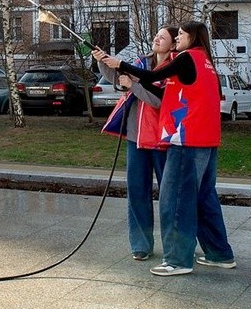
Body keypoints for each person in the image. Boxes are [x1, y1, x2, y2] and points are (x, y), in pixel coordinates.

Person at [98, 21, 235, 277]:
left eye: (181, 34)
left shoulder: (187, 57)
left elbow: (151, 77)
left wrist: (121, 65)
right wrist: (128, 80)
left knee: (175, 201)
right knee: (204, 198)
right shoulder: (205, 61)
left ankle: (177, 260)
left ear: (191, 37)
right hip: (206, 141)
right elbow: (156, 87)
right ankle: (220, 253)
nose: (178, 38)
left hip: (186, 140)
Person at [96, 27, 176, 262]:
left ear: (172, 45)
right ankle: (141, 245)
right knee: (137, 193)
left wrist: (133, 85)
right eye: (156, 35)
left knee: (170, 196)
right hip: (137, 138)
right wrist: (103, 62)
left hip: (163, 140)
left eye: (163, 37)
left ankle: (175, 248)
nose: (156, 39)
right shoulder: (141, 62)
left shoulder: (174, 68)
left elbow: (157, 100)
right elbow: (118, 79)